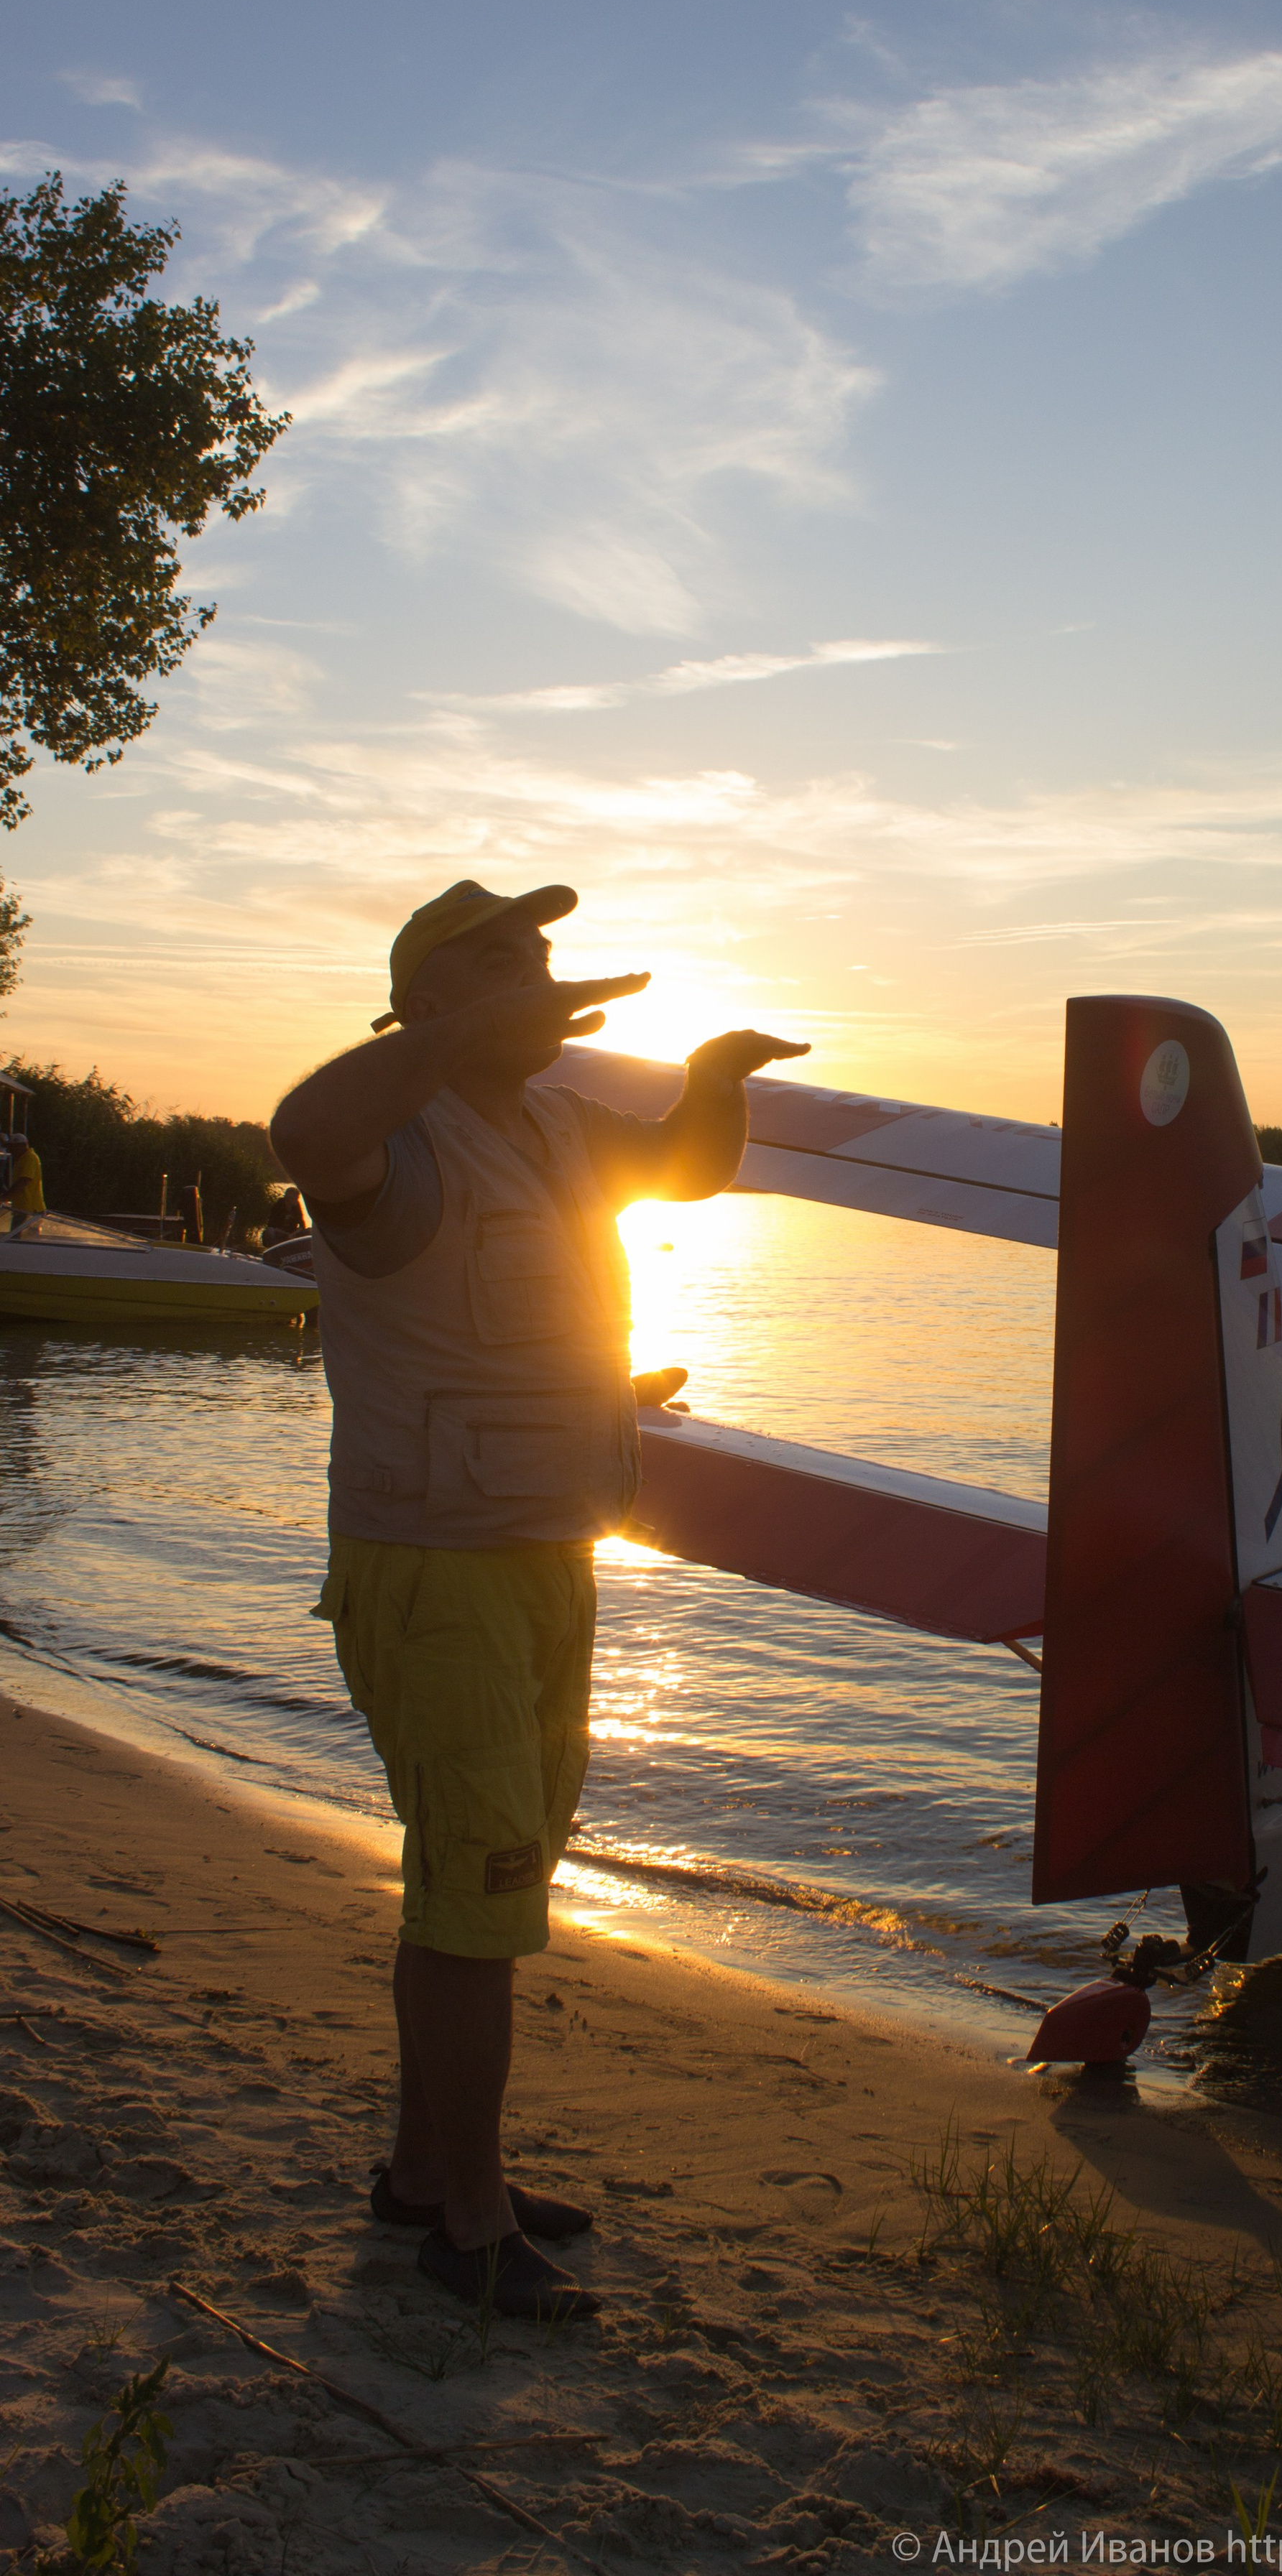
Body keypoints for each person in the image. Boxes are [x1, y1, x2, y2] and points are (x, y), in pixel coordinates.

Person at [269, 878, 806, 2320]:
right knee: (480, 1896)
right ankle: (473, 2220)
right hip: (434, 1567)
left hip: (547, 1549)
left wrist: (712, 1077)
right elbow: (302, 1133)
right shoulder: (393, 1140)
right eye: (499, 961)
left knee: (467, 1883)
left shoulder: (557, 1128)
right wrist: (461, 1036)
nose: (542, 979)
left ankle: (417, 2175)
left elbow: (687, 1169)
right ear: (425, 1001)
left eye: (544, 956)